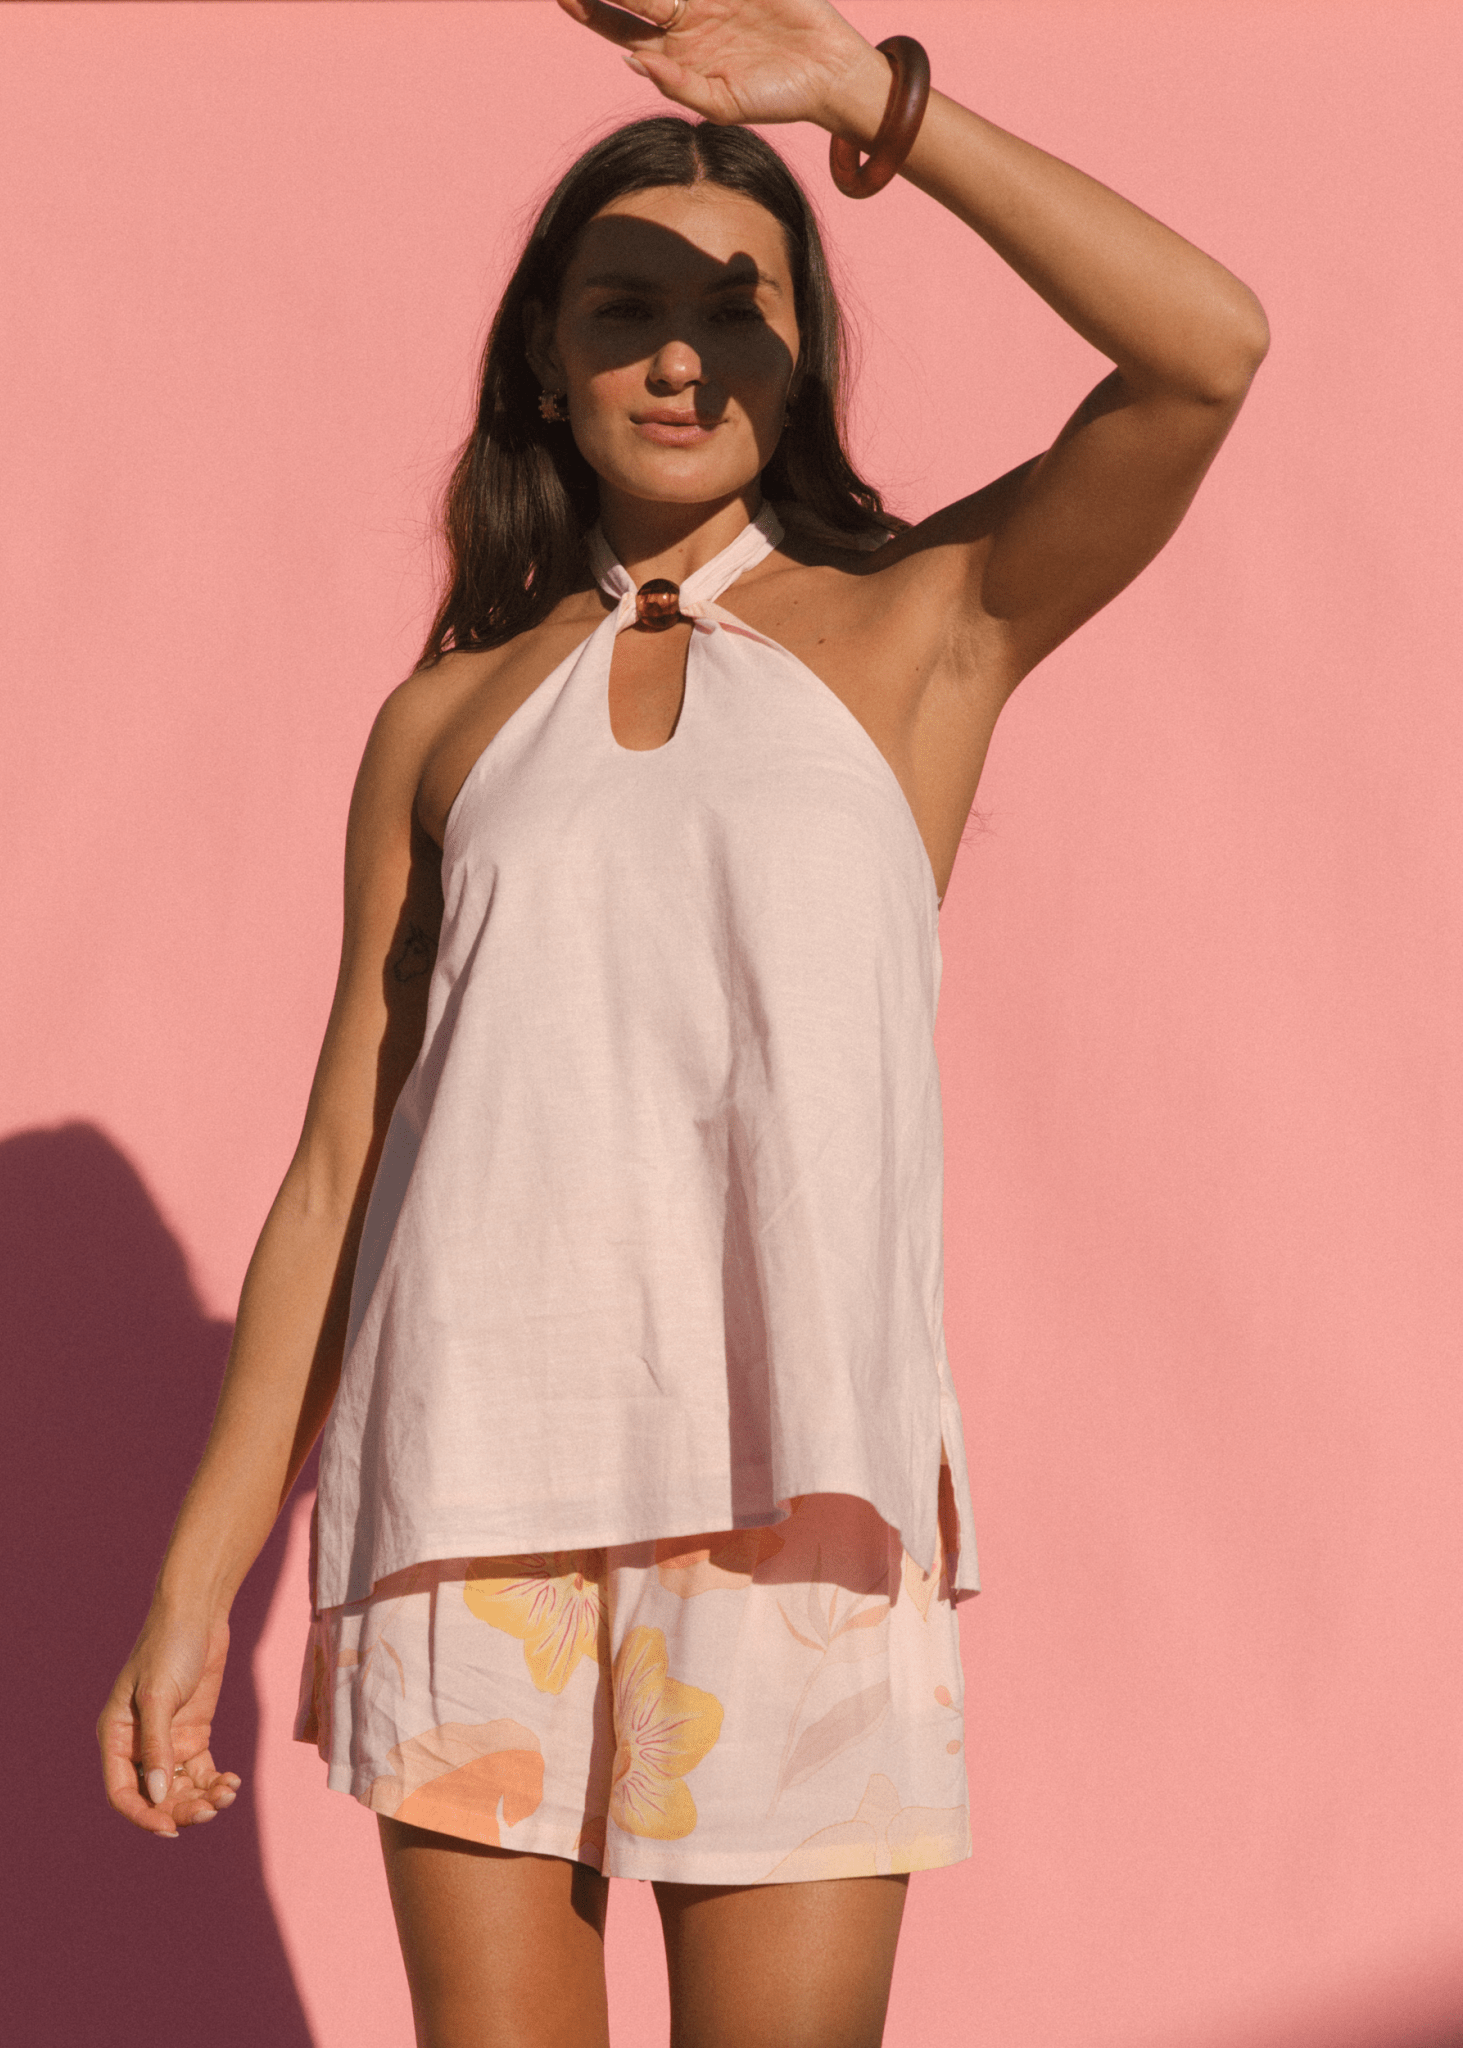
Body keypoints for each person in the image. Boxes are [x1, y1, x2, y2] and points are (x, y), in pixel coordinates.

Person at [99, 0, 1268, 2039]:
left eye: (737, 312)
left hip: (796, 1497)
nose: (678, 357)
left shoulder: (922, 626)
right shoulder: (442, 719)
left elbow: (1206, 351)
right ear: (544, 366)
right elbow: (341, 1160)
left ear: (798, 363)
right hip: (464, 1504)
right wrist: (202, 1576)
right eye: (626, 312)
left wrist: (862, 97)